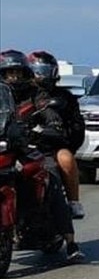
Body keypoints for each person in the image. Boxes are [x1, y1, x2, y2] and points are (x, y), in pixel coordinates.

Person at [0, 49, 83, 262]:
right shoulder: (2, 96)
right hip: (7, 148)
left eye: (18, 73)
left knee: (50, 175)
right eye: (9, 73)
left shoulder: (37, 95)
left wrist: (45, 128)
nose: (14, 78)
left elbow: (50, 115)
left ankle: (71, 242)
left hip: (34, 148)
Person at [27, 51, 86, 219]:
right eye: (37, 71)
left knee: (66, 158)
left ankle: (73, 202)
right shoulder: (20, 95)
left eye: (45, 71)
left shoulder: (64, 97)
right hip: (22, 144)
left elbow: (77, 128)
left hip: (52, 145)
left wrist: (61, 135)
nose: (41, 76)